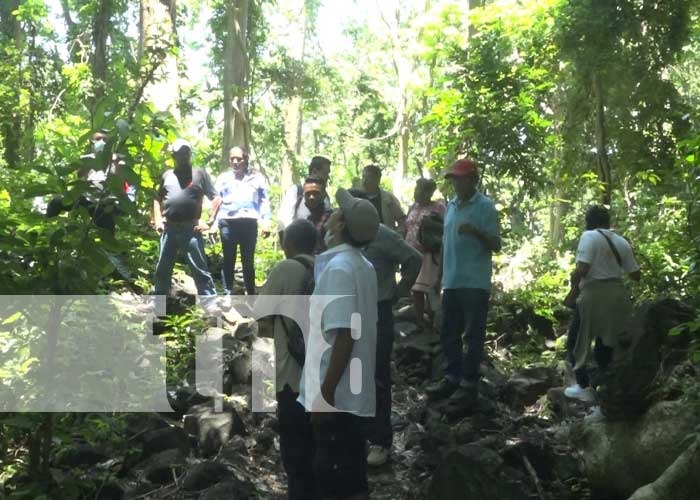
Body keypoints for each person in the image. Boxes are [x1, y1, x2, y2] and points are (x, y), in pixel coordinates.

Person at [298, 188, 379, 500]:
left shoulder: (339, 269)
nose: (330, 214)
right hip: (353, 394)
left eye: (337, 212)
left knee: (332, 477)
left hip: (338, 396)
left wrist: (324, 395)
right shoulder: (363, 266)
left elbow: (343, 336)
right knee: (352, 476)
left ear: (342, 224)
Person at [347, 188, 421, 467]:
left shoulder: (382, 234)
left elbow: (413, 258)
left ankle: (380, 441)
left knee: (377, 376)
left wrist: (399, 290)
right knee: (353, 372)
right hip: (351, 311)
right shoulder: (345, 236)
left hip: (378, 311)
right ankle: (358, 434)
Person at [426, 159, 501, 407]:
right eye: (453, 179)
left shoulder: (485, 207)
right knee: (449, 333)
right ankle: (451, 377)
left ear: (472, 180)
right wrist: (439, 276)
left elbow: (496, 245)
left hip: (475, 282)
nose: (455, 183)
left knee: (473, 335)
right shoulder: (451, 207)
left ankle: (469, 383)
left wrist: (475, 232)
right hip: (452, 281)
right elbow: (447, 244)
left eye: (459, 179)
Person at [256, 218, 320, 500]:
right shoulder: (327, 267)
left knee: (296, 455)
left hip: (291, 377)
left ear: (288, 243)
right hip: (328, 376)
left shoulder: (285, 269)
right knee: (320, 450)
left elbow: (261, 318)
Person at [563, 205, 640, 409]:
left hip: (594, 294)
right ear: (607, 222)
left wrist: (573, 286)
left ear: (588, 222)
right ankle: (607, 393)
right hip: (618, 295)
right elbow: (635, 274)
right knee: (609, 343)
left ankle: (584, 387)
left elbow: (583, 268)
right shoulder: (621, 241)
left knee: (576, 341)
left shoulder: (588, 236)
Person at [152, 139, 217, 296]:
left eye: (186, 153)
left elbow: (215, 198)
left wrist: (209, 221)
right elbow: (156, 198)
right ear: (173, 155)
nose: (184, 156)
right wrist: (158, 220)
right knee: (163, 268)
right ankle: (159, 304)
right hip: (170, 228)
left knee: (199, 267)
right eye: (180, 153)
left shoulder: (199, 174)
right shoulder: (167, 175)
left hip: (191, 229)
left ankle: (210, 302)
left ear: (190, 154)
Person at [209, 146, 271, 295]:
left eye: (239, 159)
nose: (235, 162)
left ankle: (250, 293)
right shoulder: (223, 178)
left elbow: (264, 200)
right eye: (232, 159)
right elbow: (217, 201)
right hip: (228, 223)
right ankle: (228, 294)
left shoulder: (257, 178)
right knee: (228, 260)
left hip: (249, 222)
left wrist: (266, 222)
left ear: (246, 159)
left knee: (247, 261)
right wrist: (213, 225)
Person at [47, 129, 135, 232]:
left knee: (107, 230)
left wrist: (115, 162)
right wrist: (87, 163)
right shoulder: (87, 158)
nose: (102, 142)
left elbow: (124, 182)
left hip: (106, 202)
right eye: (98, 139)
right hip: (86, 198)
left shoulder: (118, 160)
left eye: (105, 140)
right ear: (92, 141)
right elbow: (79, 175)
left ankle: (108, 245)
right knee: (56, 202)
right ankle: (46, 228)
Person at [404, 178, 445, 332]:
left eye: (420, 191)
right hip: (411, 252)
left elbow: (445, 228)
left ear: (429, 193)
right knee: (415, 288)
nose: (417, 194)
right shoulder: (413, 207)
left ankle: (434, 319)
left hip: (429, 254)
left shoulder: (438, 208)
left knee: (429, 287)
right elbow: (406, 227)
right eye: (416, 190)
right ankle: (420, 319)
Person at [278, 156, 333, 231]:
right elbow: (284, 219)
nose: (327, 177)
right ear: (314, 171)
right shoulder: (296, 191)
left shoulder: (325, 198)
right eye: (325, 173)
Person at [361, 164, 406, 234]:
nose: (364, 181)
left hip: (386, 240)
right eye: (363, 177)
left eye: (369, 177)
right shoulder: (357, 198)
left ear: (377, 180)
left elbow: (402, 220)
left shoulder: (389, 198)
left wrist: (397, 236)